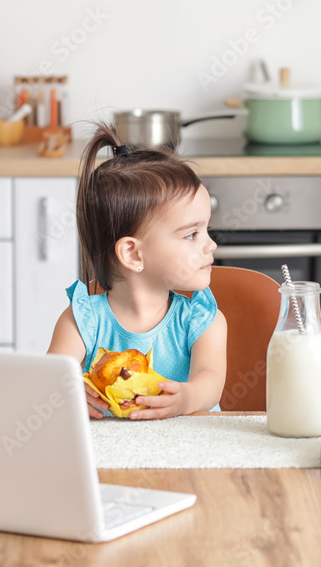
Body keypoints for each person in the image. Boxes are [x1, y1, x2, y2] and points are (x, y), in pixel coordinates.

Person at [48, 123, 227, 419]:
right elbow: (48, 382)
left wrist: (187, 398)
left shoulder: (202, 320)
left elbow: (212, 381)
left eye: (207, 229)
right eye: (191, 234)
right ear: (132, 253)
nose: (211, 245)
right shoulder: (82, 321)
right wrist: (69, 392)